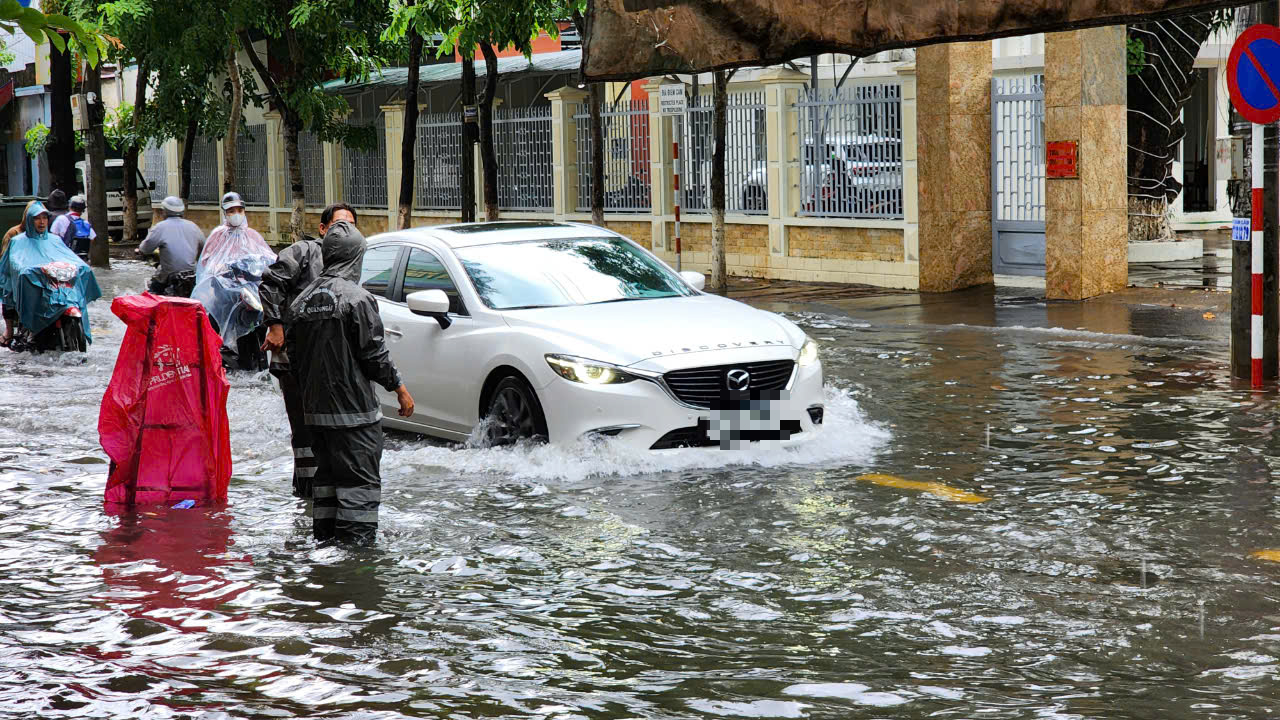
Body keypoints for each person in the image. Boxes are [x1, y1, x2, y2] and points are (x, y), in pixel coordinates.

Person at [286, 220, 414, 545]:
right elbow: (374, 356)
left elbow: (295, 361)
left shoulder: (300, 302)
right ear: (355, 258)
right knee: (360, 488)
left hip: (316, 417)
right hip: (355, 418)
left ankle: (326, 549)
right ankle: (356, 563)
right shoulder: (359, 300)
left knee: (326, 485)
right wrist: (399, 388)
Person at [259, 202, 357, 499]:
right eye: (339, 225)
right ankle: (305, 493)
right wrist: (275, 325)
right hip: (295, 356)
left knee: (328, 430)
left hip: (329, 362)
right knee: (304, 429)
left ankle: (325, 491)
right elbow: (271, 282)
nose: (345, 231)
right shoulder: (304, 252)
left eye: (351, 226)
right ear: (323, 229)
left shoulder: (352, 263)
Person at [192, 191, 276, 371]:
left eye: (239, 210)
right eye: (231, 211)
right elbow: (208, 263)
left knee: (260, 322)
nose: (236, 214)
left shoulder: (252, 235)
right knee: (216, 325)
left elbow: (267, 258)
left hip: (249, 291)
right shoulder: (217, 235)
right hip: (225, 293)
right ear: (225, 213)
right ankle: (215, 363)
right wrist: (223, 271)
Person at [0, 202, 100, 350]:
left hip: (54, 284)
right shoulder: (17, 240)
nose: (42, 222)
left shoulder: (55, 240)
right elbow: (15, 263)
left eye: (44, 218)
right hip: (33, 284)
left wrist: (83, 268)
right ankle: (17, 330)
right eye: (37, 218)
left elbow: (69, 258)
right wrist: (29, 271)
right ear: (29, 219)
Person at [136, 196, 204, 297]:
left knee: (151, 296)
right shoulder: (193, 226)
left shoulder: (160, 227)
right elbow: (204, 248)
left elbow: (145, 248)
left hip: (169, 276)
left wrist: (139, 250)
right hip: (192, 276)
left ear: (165, 212)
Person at [0, 199, 36, 346]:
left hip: (38, 275)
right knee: (8, 292)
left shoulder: (47, 236)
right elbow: (6, 258)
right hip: (15, 274)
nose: (39, 222)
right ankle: (9, 330)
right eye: (35, 218)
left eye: (42, 218)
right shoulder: (14, 233)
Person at [50, 194, 96, 261]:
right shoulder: (86, 223)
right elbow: (93, 239)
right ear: (82, 210)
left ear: (70, 206)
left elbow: (53, 238)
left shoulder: (61, 219)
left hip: (65, 257)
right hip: (81, 259)